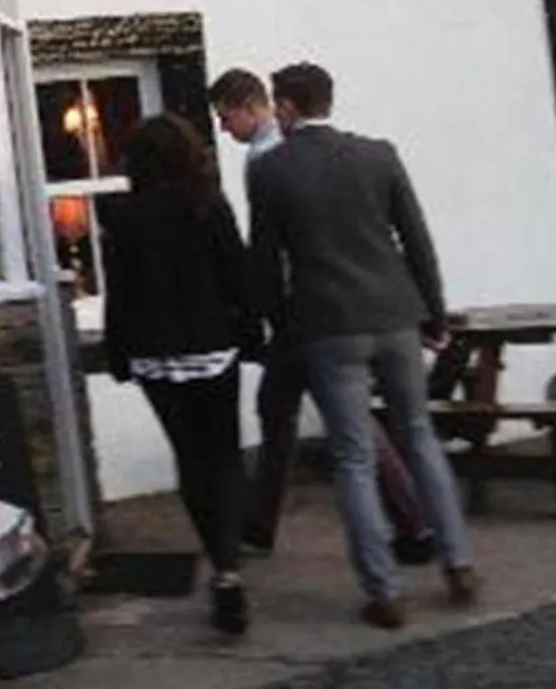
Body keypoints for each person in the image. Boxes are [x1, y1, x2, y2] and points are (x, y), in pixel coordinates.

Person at [247, 63, 479, 629]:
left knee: (353, 457)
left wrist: (282, 327)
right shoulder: (379, 155)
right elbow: (416, 238)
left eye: (279, 103)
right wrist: (433, 310)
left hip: (328, 323)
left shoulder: (272, 170)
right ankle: (457, 561)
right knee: (419, 436)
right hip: (395, 311)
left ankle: (385, 590)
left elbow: (265, 261)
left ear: (288, 107)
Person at [209, 69, 434, 565]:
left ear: (250, 106)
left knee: (341, 421)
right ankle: (262, 523)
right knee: (280, 409)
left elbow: (276, 246)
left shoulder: (271, 158)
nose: (224, 128)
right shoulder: (270, 152)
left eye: (226, 117)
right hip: (310, 309)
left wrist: (271, 311)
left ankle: (413, 520)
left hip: (307, 312)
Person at [101, 113, 262, 636]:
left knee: (190, 459)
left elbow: (120, 294)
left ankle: (217, 560)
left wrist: (118, 355)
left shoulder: (123, 216)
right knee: (224, 456)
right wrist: (253, 334)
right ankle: (230, 569)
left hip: (155, 355)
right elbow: (239, 275)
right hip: (211, 347)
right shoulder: (208, 205)